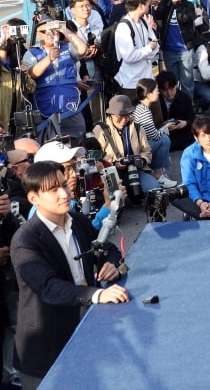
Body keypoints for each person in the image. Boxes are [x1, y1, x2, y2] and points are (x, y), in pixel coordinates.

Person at [10, 161, 128, 390]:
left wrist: (112, 264)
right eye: (53, 190)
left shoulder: (79, 222)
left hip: (87, 338)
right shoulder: (25, 241)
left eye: (64, 185)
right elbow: (48, 287)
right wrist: (97, 294)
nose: (64, 193)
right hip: (46, 351)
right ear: (33, 198)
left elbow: (107, 249)